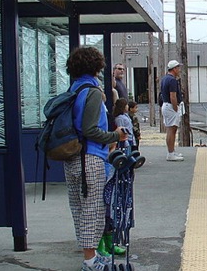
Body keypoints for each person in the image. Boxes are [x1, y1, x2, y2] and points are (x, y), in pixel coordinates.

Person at [64, 46, 128, 271]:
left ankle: (89, 257)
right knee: (93, 210)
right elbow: (90, 129)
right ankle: (90, 261)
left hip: (72, 158)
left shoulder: (74, 88)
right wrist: (115, 135)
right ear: (96, 66)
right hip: (90, 158)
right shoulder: (91, 91)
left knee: (79, 210)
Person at [160, 60, 185, 161]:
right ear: (174, 68)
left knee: (170, 129)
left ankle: (172, 151)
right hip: (170, 106)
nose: (179, 70)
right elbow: (173, 96)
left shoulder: (165, 78)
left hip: (166, 105)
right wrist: (175, 108)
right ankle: (170, 153)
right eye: (178, 68)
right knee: (172, 130)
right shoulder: (172, 80)